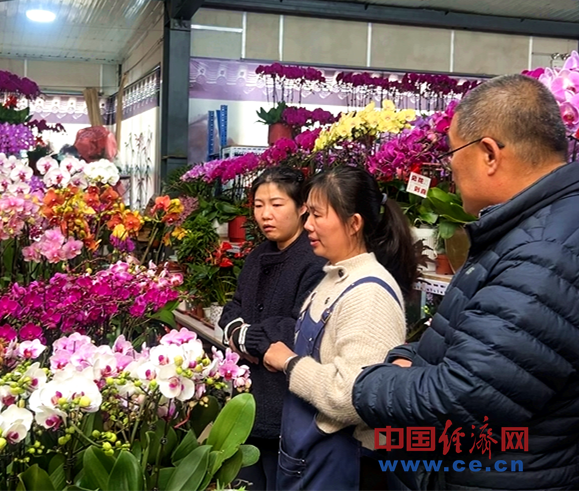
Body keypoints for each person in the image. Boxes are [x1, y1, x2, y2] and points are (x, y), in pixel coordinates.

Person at [351, 74, 579, 491]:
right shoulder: (534, 229)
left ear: (489, 153)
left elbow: (465, 397)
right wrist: (407, 356)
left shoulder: (546, 252)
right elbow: (474, 342)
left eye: (452, 152)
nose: (449, 168)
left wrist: (369, 383)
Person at [263, 165, 418, 491]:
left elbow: (353, 395)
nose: (308, 224)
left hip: (342, 465)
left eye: (317, 215)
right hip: (308, 457)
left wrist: (290, 363)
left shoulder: (369, 293)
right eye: (308, 214)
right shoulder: (333, 277)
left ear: (354, 223)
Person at [218, 166, 327, 491]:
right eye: (258, 205)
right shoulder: (257, 256)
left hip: (288, 409)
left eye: (277, 204)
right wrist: (243, 334)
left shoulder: (314, 259)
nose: (266, 214)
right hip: (249, 405)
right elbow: (232, 309)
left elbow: (297, 328)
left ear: (302, 207)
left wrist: (245, 337)